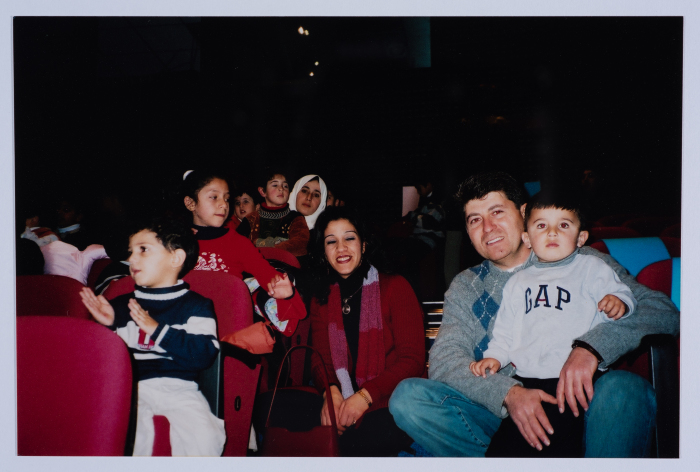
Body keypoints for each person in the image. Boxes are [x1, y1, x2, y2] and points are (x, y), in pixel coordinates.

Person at [389, 171, 679, 457]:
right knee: (409, 398)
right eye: (475, 220)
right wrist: (509, 394)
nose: (488, 228)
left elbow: (661, 310)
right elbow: (445, 361)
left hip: (578, 405)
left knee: (626, 388)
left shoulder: (580, 259)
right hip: (500, 415)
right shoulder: (465, 285)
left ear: (523, 213)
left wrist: (592, 347)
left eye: (497, 212)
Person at [471, 189, 636, 457]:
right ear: (527, 238)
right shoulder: (518, 283)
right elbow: (504, 333)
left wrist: (619, 303)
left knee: (563, 448)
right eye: (541, 226)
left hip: (576, 380)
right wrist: (495, 357)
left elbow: (624, 295)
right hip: (527, 382)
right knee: (505, 450)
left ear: (581, 237)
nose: (552, 233)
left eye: (564, 225)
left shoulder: (591, 268)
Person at [253, 207, 425, 456]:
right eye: (331, 241)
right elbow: (320, 358)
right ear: (323, 251)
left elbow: (412, 360)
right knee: (265, 407)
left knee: (365, 438)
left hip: (388, 397)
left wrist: (363, 398)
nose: (341, 248)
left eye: (349, 238)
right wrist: (330, 392)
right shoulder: (323, 296)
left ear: (363, 245)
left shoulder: (395, 287)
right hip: (343, 394)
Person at [79, 218, 226, 456]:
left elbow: (204, 354)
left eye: (143, 250)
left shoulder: (196, 306)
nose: (132, 259)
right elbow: (101, 365)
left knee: (206, 436)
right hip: (132, 388)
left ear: (175, 258)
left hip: (181, 388)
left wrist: (157, 330)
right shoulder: (118, 306)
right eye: (131, 252)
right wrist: (106, 326)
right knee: (132, 434)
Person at [238, 170, 310, 257]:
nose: (281, 189)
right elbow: (236, 244)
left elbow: (300, 245)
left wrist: (257, 244)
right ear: (262, 191)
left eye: (285, 186)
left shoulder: (296, 218)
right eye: (275, 185)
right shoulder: (251, 219)